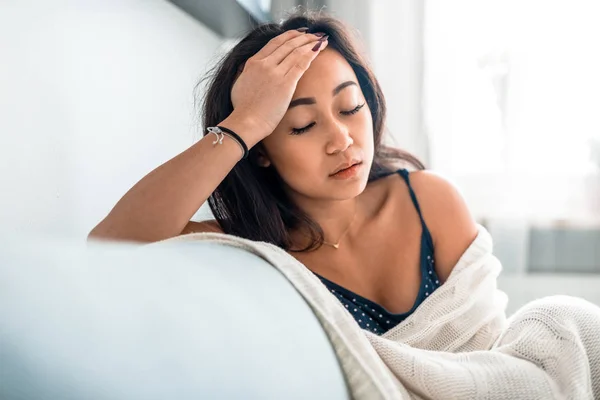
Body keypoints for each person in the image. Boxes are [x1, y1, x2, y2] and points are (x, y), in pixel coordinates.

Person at [88, 11, 478, 335]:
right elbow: (113, 247)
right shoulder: (248, 248)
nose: (341, 141)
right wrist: (246, 120)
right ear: (260, 152)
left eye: (350, 107)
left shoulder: (429, 201)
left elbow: (490, 359)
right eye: (303, 125)